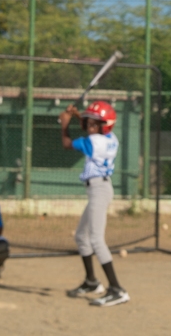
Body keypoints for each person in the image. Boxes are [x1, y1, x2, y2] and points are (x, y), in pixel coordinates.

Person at [59, 100, 129, 307]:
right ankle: (91, 282)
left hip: (99, 190)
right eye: (89, 122)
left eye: (94, 124)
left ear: (102, 126)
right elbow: (94, 126)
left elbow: (66, 144)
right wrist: (78, 115)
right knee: (82, 236)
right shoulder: (110, 137)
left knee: (97, 239)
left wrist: (64, 123)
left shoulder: (94, 142)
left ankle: (117, 289)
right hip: (98, 189)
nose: (89, 126)